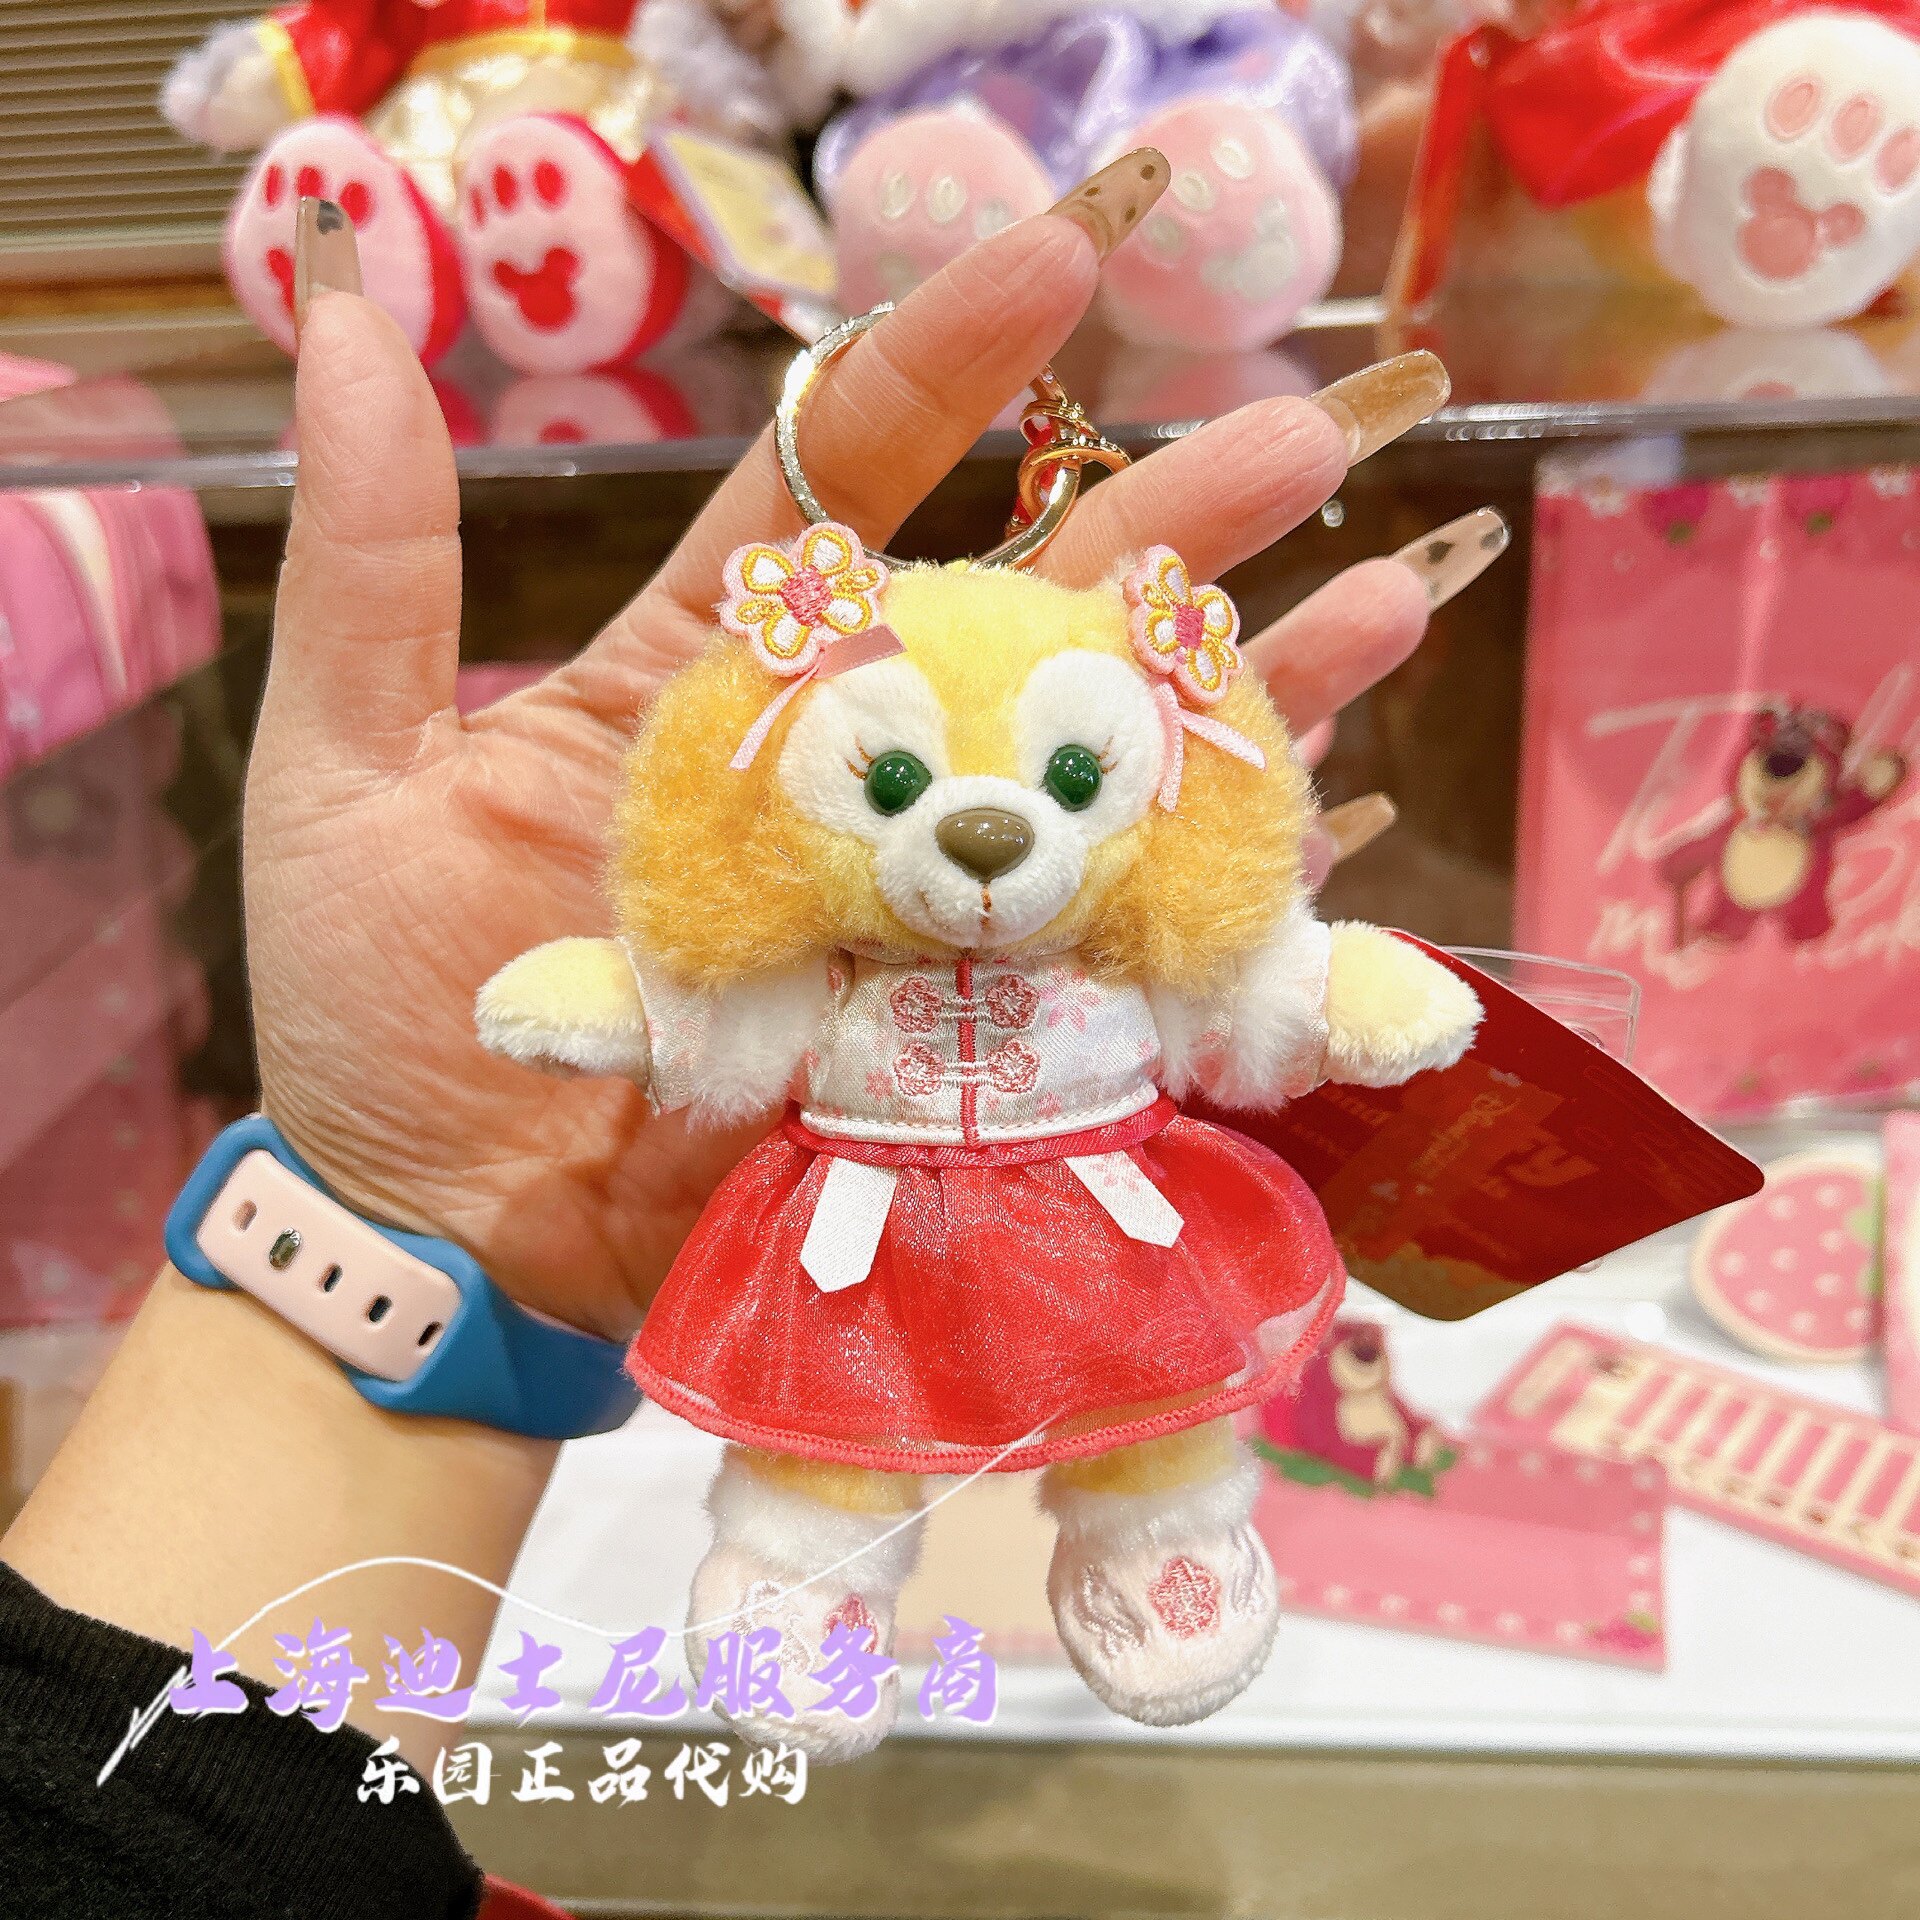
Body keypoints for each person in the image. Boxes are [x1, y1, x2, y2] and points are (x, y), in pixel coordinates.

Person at [0, 154, 1487, 1915]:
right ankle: (803, 1583)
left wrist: (1340, 989)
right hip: (855, 1240)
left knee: (1147, 1396)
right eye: (895, 782)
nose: (989, 833)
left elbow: (1258, 996)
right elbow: (703, 1018)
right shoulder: (819, 969)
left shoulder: (1119, 967)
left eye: (1074, 778)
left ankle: (1157, 1540)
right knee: (823, 1414)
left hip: (1100, 1228)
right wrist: (556, 1037)